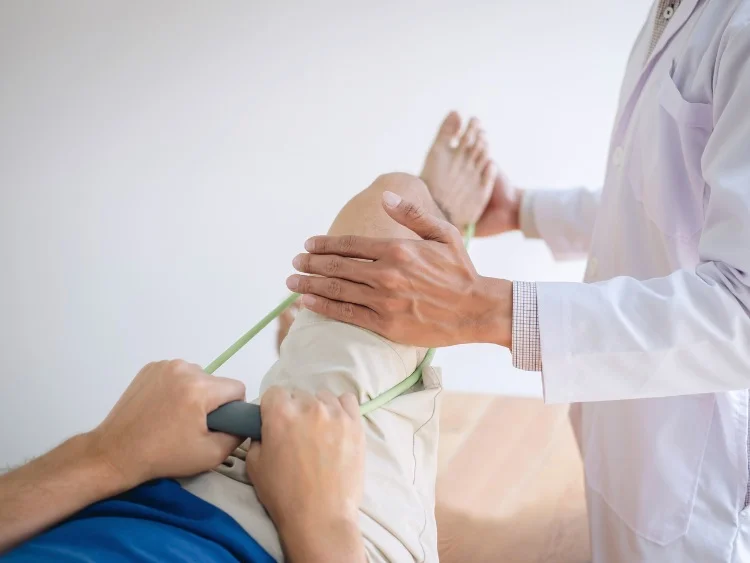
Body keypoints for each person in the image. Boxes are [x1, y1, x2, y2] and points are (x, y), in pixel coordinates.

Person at [286, 2, 750, 561]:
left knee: (393, 201)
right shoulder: (677, 12)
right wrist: (525, 211)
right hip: (636, 439)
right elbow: (670, 197)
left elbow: (742, 310)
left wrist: (489, 310)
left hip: (704, 476)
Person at [0, 120, 495, 562]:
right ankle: (442, 211)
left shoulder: (112, 460)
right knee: (396, 205)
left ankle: (301, 378)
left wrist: (104, 453)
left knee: (392, 207)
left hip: (125, 481)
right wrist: (322, 524)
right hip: (311, 526)